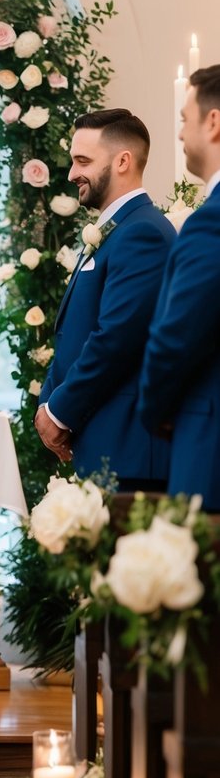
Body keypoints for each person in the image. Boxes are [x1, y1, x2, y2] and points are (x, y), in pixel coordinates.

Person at [36, 109, 175, 490]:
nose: (71, 174)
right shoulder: (115, 230)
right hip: (102, 441)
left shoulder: (143, 232)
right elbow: (73, 334)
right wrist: (47, 405)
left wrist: (59, 412)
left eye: (83, 161)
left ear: (123, 161)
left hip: (127, 448)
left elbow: (116, 338)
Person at [139, 66, 220, 511]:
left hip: (208, 436)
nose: (180, 132)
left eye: (186, 118)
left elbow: (176, 335)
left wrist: (155, 411)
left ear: (214, 122)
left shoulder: (212, 220)